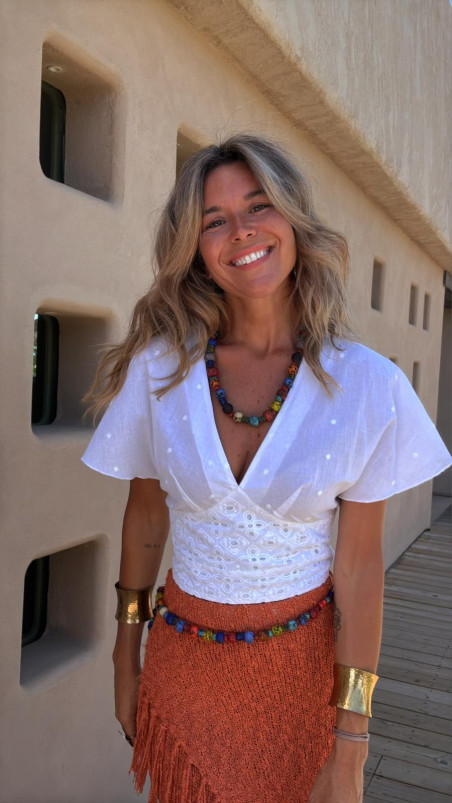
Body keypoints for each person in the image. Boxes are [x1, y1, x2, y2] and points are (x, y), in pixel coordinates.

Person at [82, 134, 451, 803]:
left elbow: (360, 571)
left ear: (294, 218)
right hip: (183, 674)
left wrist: (352, 742)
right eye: (214, 220)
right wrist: (123, 657)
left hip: (303, 685)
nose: (241, 231)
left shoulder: (366, 384)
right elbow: (145, 518)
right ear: (195, 246)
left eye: (259, 206)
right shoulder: (160, 369)